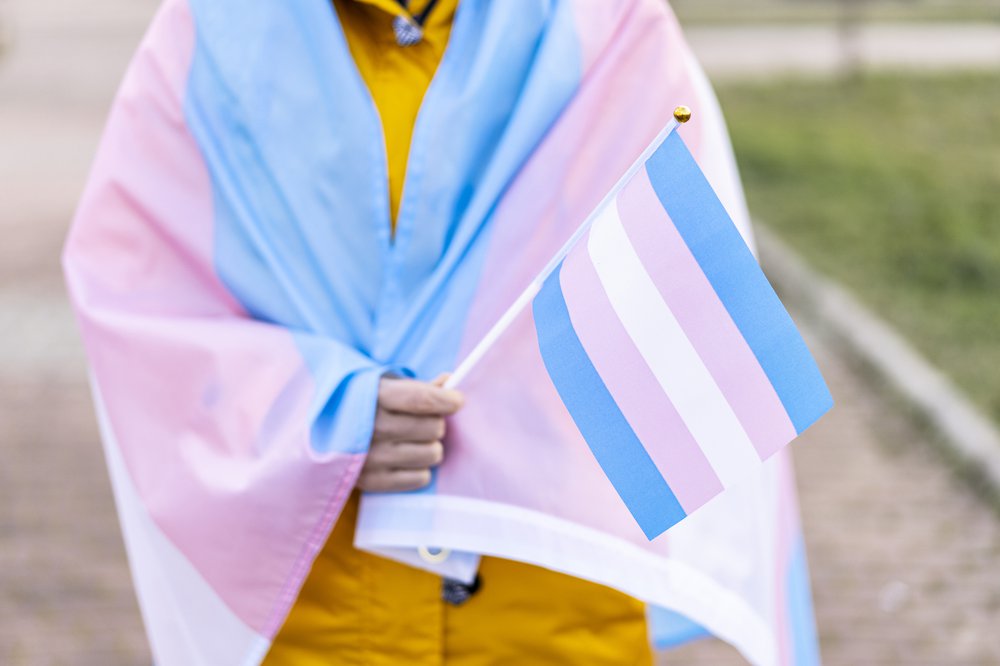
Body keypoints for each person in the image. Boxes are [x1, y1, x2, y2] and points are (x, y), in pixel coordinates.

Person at [64, 0, 821, 664]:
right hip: (322, 622)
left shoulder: (607, 25)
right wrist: (322, 412)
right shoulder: (207, 34)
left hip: (546, 616)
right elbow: (138, 303)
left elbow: (675, 279)